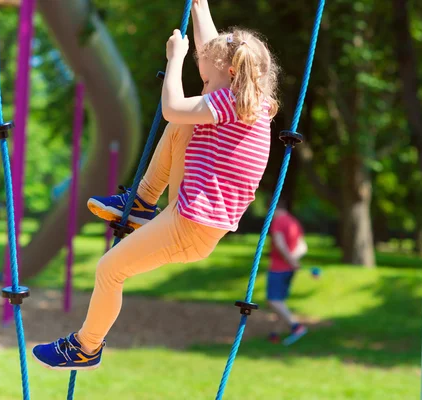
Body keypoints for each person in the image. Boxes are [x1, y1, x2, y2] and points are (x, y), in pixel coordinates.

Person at [32, 0, 280, 371]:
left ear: (229, 73)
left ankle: (86, 347)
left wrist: (175, 60)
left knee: (109, 270)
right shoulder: (248, 99)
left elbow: (172, 106)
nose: (204, 81)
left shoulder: (227, 101)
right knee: (182, 125)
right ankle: (143, 201)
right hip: (190, 215)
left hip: (192, 227)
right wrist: (200, 5)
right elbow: (211, 52)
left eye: (208, 78)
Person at [266, 200, 308, 345]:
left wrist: (290, 260)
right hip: (290, 269)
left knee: (273, 300)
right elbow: (303, 246)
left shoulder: (278, 221)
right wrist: (294, 260)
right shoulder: (293, 222)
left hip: (278, 268)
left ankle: (296, 325)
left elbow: (279, 243)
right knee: (280, 302)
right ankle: (275, 334)